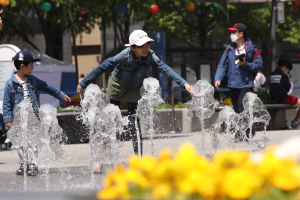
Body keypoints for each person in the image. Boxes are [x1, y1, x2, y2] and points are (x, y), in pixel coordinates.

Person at [77, 30, 192, 158]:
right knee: (109, 120)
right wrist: (83, 83)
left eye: (147, 45)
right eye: (142, 46)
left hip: (134, 88)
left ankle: (138, 158)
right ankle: (101, 155)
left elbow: (165, 68)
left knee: (134, 122)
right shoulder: (123, 56)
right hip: (117, 86)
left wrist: (184, 83)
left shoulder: (150, 56)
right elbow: (102, 66)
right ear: (132, 47)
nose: (146, 48)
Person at [3, 50, 71, 176]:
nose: (33, 67)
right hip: (19, 120)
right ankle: (24, 163)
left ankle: (33, 164)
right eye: (31, 65)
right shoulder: (10, 84)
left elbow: (48, 87)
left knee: (34, 142)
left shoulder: (33, 80)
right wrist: (8, 118)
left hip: (33, 118)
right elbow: (6, 102)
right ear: (23, 66)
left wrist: (61, 95)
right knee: (20, 143)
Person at [214, 23, 263, 141]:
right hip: (232, 84)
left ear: (241, 34)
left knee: (241, 107)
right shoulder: (229, 49)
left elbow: (259, 65)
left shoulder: (252, 49)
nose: (231, 35)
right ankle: (250, 130)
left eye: (234, 32)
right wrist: (218, 78)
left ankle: (240, 133)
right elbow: (222, 65)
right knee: (236, 109)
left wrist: (245, 64)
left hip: (246, 84)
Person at [270, 60, 300, 129]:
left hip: (274, 99)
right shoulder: (284, 75)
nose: (287, 72)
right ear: (284, 67)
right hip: (283, 98)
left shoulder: (271, 74)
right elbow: (287, 89)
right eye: (288, 70)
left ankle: (286, 122)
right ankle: (295, 122)